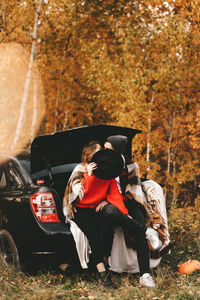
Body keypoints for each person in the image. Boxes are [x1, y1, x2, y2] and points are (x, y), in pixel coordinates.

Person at [102, 135, 170, 287]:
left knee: (138, 228)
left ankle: (145, 275)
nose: (105, 152)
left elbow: (134, 191)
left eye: (108, 149)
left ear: (117, 151)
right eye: (104, 149)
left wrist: (125, 205)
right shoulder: (102, 163)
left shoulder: (131, 166)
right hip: (107, 202)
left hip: (128, 202)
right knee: (109, 213)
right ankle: (146, 231)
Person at [62, 140, 129, 287]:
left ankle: (102, 264)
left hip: (94, 209)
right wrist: (90, 175)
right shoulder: (81, 169)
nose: (102, 154)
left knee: (108, 231)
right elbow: (79, 194)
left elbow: (113, 194)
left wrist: (125, 213)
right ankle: (102, 275)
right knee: (94, 235)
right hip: (79, 209)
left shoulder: (106, 171)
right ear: (90, 153)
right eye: (99, 151)